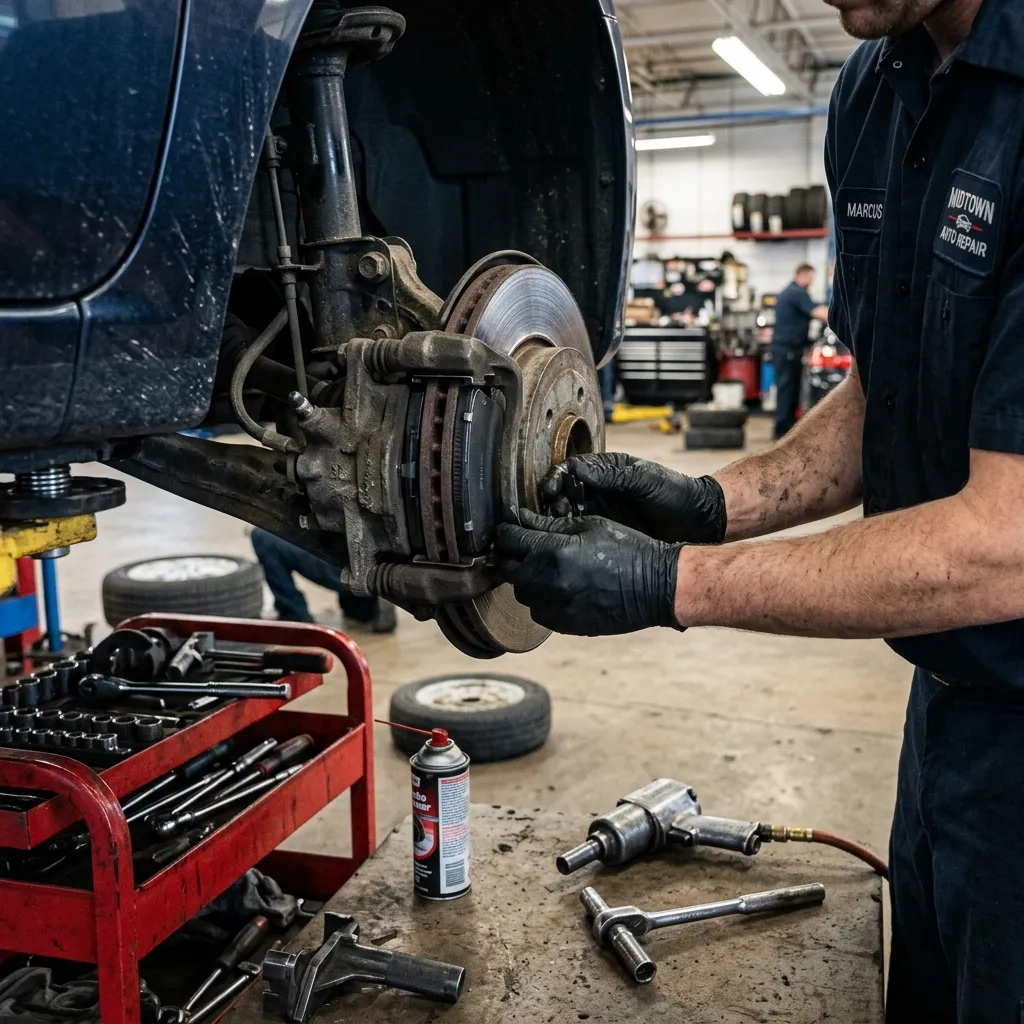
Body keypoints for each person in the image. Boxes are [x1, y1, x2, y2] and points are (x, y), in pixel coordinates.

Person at [496, 0, 1024, 1019]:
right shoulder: (875, 84)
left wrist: (670, 583)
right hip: (949, 702)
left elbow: (1006, 541)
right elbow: (887, 393)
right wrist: (706, 504)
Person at [251, 528, 396, 633]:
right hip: (371, 558)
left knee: (262, 537)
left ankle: (294, 614)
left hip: (349, 564)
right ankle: (365, 599)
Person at [771, 263, 829, 439]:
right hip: (787, 349)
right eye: (811, 278)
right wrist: (842, 318)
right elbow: (818, 312)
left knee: (789, 389)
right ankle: (782, 432)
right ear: (801, 275)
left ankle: (786, 430)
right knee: (787, 390)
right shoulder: (796, 293)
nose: (812, 282)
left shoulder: (793, 292)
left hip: (788, 349)